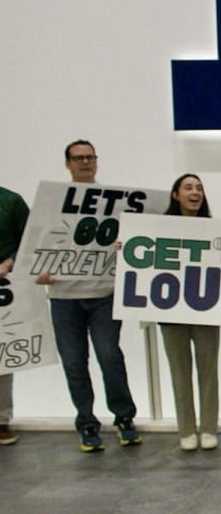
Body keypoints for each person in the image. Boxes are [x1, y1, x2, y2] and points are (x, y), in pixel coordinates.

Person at [38, 140, 141, 452]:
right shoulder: (53, 201)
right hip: (63, 295)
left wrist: (129, 246)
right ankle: (86, 423)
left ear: (96, 161)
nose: (85, 162)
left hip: (104, 292)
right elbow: (38, 242)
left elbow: (134, 236)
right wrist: (39, 267)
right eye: (78, 158)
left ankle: (124, 417)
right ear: (67, 163)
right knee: (74, 361)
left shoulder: (116, 202)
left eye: (89, 157)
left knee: (109, 355)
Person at [160, 174, 221, 451]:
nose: (194, 192)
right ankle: (186, 429)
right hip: (171, 310)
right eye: (188, 187)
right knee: (179, 371)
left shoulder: (212, 228)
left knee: (208, 371)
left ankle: (208, 428)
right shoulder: (160, 227)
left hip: (206, 310)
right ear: (176, 195)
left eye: (199, 188)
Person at [0, 184, 30, 446]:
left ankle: (0, 420)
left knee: (2, 354)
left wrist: (10, 261)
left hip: (3, 284)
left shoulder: (11, 200)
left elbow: (30, 237)